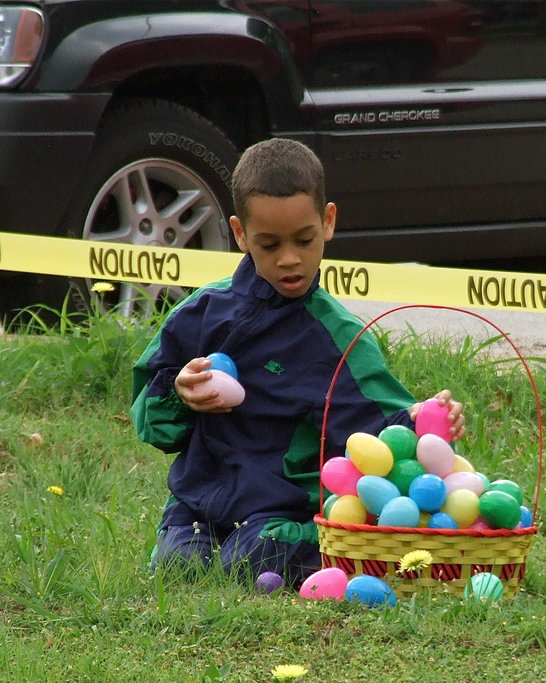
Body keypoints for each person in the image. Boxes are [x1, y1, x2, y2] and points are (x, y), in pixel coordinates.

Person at [131, 137, 465, 586]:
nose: (290, 259)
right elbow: (150, 419)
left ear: (327, 222)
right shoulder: (200, 313)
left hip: (281, 510)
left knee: (246, 564)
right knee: (181, 570)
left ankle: (318, 545)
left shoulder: (339, 338)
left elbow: (384, 435)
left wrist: (428, 423)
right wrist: (178, 394)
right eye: (269, 245)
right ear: (240, 233)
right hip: (199, 502)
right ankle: (186, 542)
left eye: (303, 240)